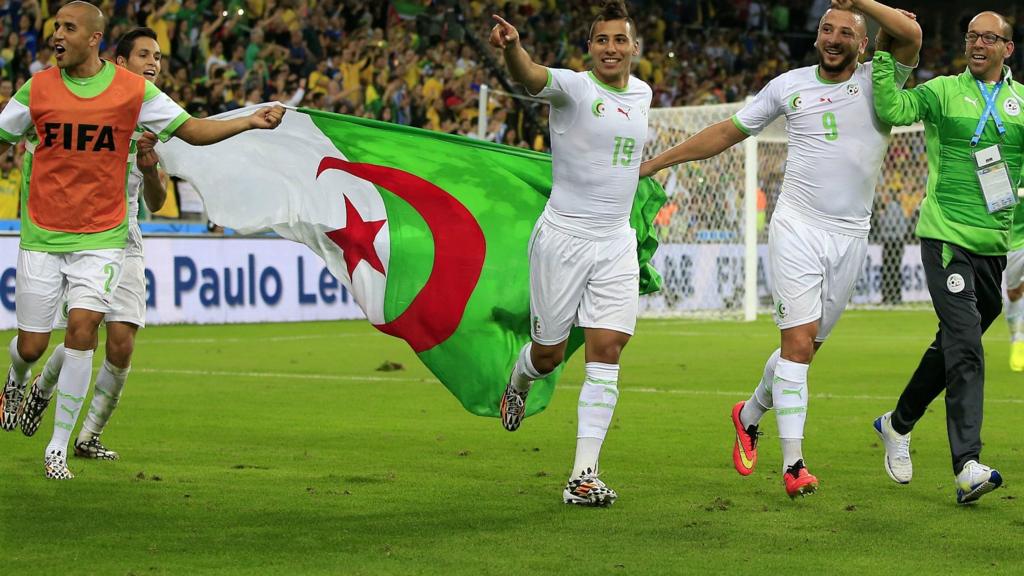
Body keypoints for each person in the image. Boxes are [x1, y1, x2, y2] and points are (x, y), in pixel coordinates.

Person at [640, 0, 921, 498]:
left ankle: (747, 415)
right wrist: (659, 162)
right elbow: (727, 131)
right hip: (796, 225)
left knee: (805, 351)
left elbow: (910, 34)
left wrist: (861, 4)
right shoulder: (787, 86)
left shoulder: (881, 79)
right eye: (826, 29)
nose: (833, 38)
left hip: (851, 234)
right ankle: (794, 465)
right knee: (796, 345)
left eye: (845, 32)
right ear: (816, 37)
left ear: (863, 43)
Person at [0, 2, 284, 480]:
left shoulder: (136, 95)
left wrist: (249, 120)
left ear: (92, 38)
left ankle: (60, 446)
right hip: (44, 235)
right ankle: (18, 381)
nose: (57, 35)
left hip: (108, 234)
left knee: (89, 332)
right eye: (56, 27)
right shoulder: (39, 88)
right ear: (116, 52)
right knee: (30, 345)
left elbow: (192, 131)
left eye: (68, 27)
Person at [491, 0, 651, 506]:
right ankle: (519, 380)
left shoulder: (644, 94)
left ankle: (583, 475)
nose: (611, 48)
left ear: (634, 48)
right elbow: (531, 78)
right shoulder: (575, 89)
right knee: (548, 354)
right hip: (563, 238)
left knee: (608, 350)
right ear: (590, 48)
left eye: (620, 40)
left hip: (615, 242)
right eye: (602, 40)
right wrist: (515, 49)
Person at [871, 11, 1024, 504]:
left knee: (951, 348)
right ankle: (967, 465)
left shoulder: (1022, 104)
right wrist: (883, 56)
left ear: (1008, 48)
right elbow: (893, 109)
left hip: (994, 246)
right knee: (966, 347)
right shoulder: (940, 92)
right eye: (971, 36)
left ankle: (897, 424)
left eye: (988, 37)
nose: (977, 43)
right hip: (945, 238)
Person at [17, 27, 168, 462]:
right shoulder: (96, 105)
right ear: (120, 64)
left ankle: (88, 436)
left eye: (158, 56)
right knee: (81, 333)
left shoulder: (158, 118)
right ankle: (43, 388)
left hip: (129, 238)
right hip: (82, 234)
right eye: (144, 55)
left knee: (121, 343)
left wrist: (150, 163)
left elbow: (158, 200)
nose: (154, 63)